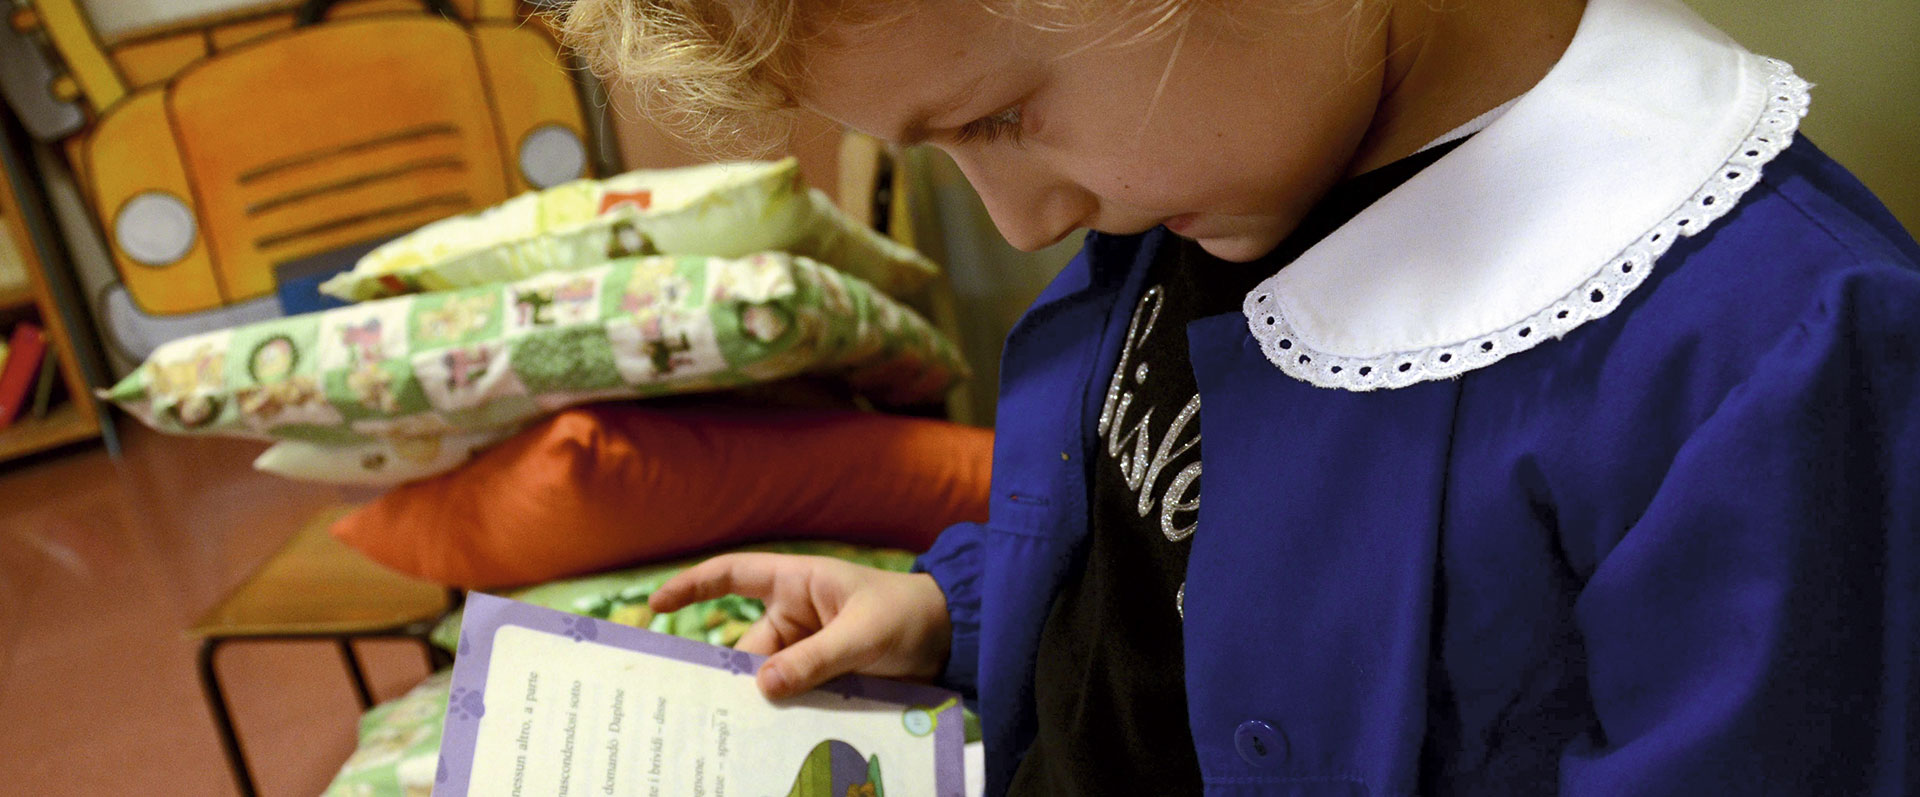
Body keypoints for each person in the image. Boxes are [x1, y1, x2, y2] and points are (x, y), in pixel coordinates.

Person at [563, 0, 1920, 792]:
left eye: (993, 119)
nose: (1024, 223)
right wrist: (951, 610)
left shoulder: (1763, 357)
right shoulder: (1223, 173)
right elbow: (1149, 538)